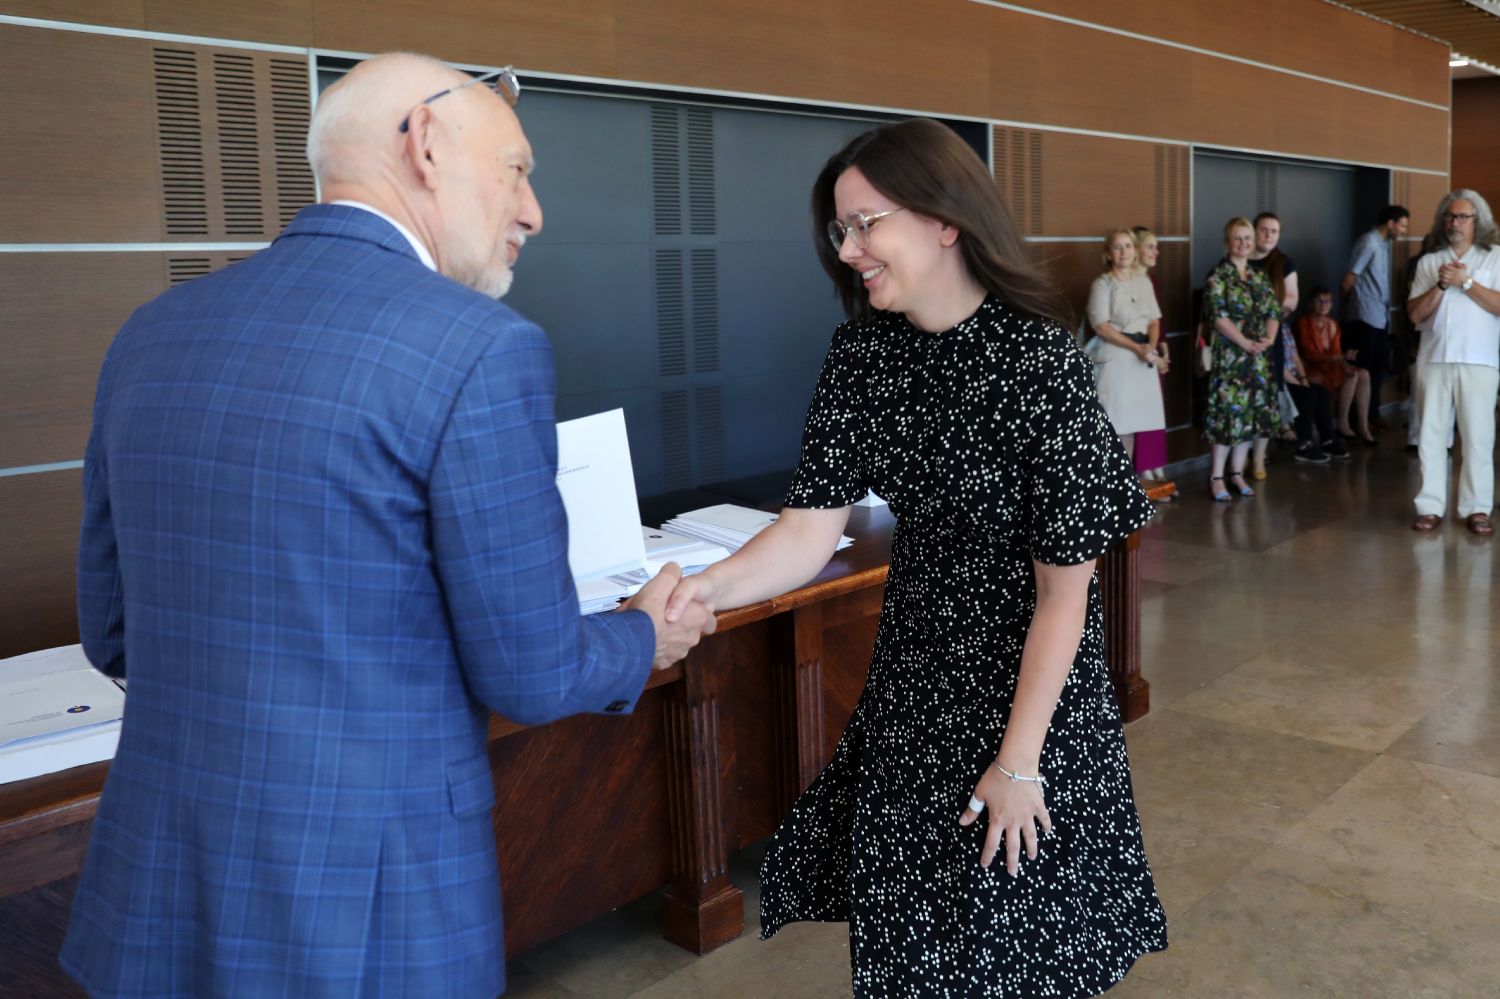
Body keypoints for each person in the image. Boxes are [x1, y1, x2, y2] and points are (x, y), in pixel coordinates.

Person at [60, 53, 716, 998]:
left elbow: (113, 629)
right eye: (518, 170)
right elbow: (531, 672)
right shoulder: (478, 349)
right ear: (426, 143)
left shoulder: (152, 331)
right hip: (364, 907)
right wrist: (645, 635)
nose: (533, 212)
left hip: (156, 885)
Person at [664, 118, 1166, 998]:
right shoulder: (863, 355)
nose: (847, 249)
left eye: (866, 223)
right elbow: (807, 530)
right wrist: (697, 590)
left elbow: (1065, 598)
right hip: (915, 693)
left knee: (1019, 952)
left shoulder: (1038, 362)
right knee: (910, 951)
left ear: (944, 220)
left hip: (1031, 706)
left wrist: (1017, 764)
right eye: (840, 229)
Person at [1406, 189, 1500, 536]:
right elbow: (1414, 315)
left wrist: (1467, 282)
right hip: (1434, 359)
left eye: (1462, 217)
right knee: (1431, 438)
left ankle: (1477, 508)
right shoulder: (1430, 262)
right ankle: (1430, 507)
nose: (1455, 223)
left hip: (1479, 360)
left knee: (1478, 438)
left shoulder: (1495, 258)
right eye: (1449, 216)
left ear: (1478, 222)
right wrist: (1442, 285)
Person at [1202, 218, 1282, 501]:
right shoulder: (1218, 276)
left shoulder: (1259, 276)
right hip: (1231, 357)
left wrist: (1269, 339)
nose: (1243, 243)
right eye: (1237, 238)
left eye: (1247, 238)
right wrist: (1244, 343)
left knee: (1250, 417)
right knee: (1228, 416)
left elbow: (1273, 312)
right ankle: (1217, 477)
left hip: (1258, 358)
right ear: (1227, 242)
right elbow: (1218, 317)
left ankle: (1237, 473)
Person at [1086, 228, 1168, 458]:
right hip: (1116, 358)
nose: (1124, 252)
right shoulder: (1102, 283)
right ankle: (1108, 478)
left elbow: (1154, 320)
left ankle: (1125, 478)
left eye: (1128, 246)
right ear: (1108, 253)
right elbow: (1101, 326)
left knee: (1132, 425)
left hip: (1141, 360)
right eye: (1117, 247)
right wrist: (1136, 348)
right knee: (1114, 424)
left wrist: (1150, 347)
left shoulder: (1144, 282)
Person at [1341, 204, 1410, 433]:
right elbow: (1349, 279)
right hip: (1364, 315)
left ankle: (1372, 413)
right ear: (1390, 223)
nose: (1404, 231)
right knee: (1363, 369)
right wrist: (1346, 311)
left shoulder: (1383, 244)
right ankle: (1356, 420)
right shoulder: (1368, 242)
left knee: (1377, 368)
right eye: (1402, 226)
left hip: (1379, 314)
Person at [1247, 211, 1300, 476]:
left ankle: (1259, 456)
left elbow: (1291, 300)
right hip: (1239, 337)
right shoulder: (1240, 257)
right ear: (1254, 230)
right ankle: (1241, 455)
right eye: (1264, 230)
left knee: (1268, 395)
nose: (1268, 235)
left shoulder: (1283, 262)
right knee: (1244, 396)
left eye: (1274, 231)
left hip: (1270, 334)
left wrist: (1265, 311)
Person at [1293, 286, 1356, 460]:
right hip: (1309, 369)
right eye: (1319, 301)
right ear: (1310, 303)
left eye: (1327, 301)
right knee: (1318, 389)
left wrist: (1343, 362)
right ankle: (1329, 436)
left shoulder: (1333, 324)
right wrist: (1338, 358)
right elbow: (1308, 354)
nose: (1324, 305)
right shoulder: (1303, 323)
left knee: (1358, 374)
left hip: (1329, 367)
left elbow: (1336, 352)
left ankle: (1345, 423)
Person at [1130, 226, 1171, 483]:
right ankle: (1143, 467)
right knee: (1139, 412)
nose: (1156, 252)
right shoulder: (1127, 280)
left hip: (1153, 350)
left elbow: (1157, 319)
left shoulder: (1151, 281)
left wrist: (1162, 348)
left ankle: (1155, 464)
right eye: (1150, 247)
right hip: (1136, 351)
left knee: (1155, 411)